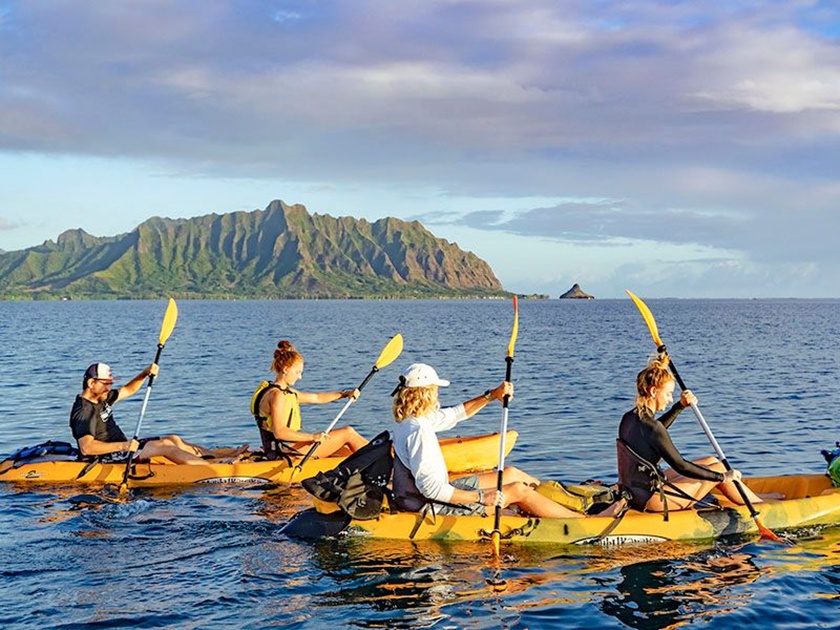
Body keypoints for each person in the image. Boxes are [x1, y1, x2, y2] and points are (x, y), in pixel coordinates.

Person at [391, 362, 615, 518]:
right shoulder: (418, 432)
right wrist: (480, 498)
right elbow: (431, 489)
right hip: (432, 505)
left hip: (438, 493)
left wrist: (492, 395)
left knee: (511, 474)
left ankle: (572, 499)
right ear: (425, 394)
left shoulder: (412, 421)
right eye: (435, 390)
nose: (438, 394)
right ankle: (584, 521)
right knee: (518, 490)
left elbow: (456, 414)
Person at [617, 356, 763, 512]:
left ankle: (754, 498)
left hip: (635, 491)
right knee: (720, 468)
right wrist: (723, 477)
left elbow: (652, 433)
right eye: (668, 394)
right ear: (653, 391)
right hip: (652, 501)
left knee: (711, 460)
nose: (670, 399)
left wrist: (679, 406)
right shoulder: (653, 427)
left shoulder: (629, 418)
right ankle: (761, 504)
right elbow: (681, 466)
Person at [69, 362, 230, 465]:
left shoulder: (101, 397)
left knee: (173, 439)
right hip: (107, 457)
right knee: (164, 446)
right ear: (91, 383)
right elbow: (87, 448)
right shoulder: (84, 411)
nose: (109, 388)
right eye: (106, 384)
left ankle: (214, 457)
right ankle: (212, 469)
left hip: (123, 450)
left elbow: (128, 389)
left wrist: (144, 374)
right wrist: (124, 445)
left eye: (111, 384)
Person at [253, 340, 366, 461]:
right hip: (283, 455)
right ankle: (384, 458)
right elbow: (280, 433)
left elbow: (317, 397)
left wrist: (344, 394)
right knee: (347, 433)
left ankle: (378, 456)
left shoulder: (278, 391)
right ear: (286, 369)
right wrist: (313, 437)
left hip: (284, 449)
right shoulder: (277, 395)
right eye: (297, 372)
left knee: (345, 449)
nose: (300, 377)